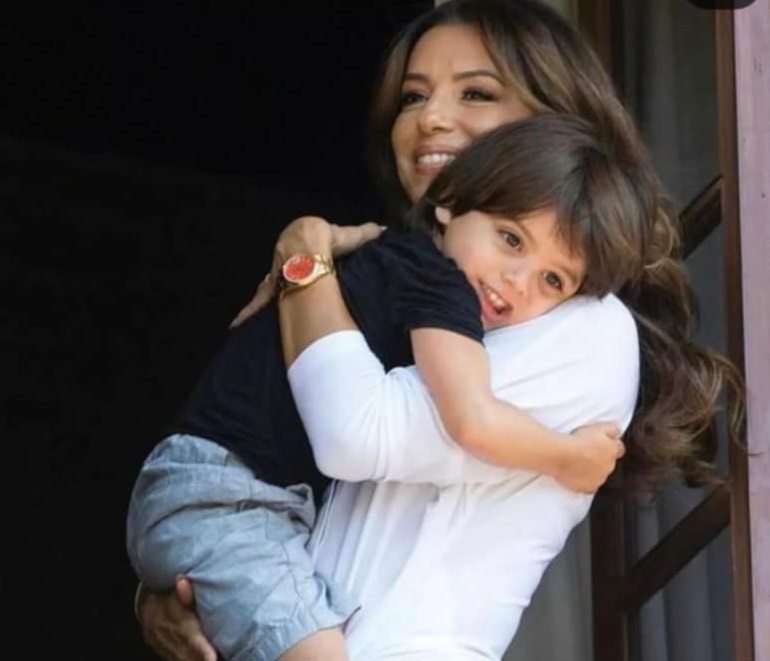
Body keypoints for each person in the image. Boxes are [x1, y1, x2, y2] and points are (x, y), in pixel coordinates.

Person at [136, 1, 744, 660]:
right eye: (414, 96)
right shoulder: (414, 286)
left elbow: (355, 433)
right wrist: (182, 579)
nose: (431, 118)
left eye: (475, 92)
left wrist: (303, 261)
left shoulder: (587, 326)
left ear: (556, 126)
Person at [126, 114, 633, 661]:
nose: (518, 280)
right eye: (511, 239)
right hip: (231, 498)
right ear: (451, 201)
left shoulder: (391, 258)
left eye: (553, 280)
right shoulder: (442, 287)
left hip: (213, 492)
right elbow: (471, 418)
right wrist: (569, 457)